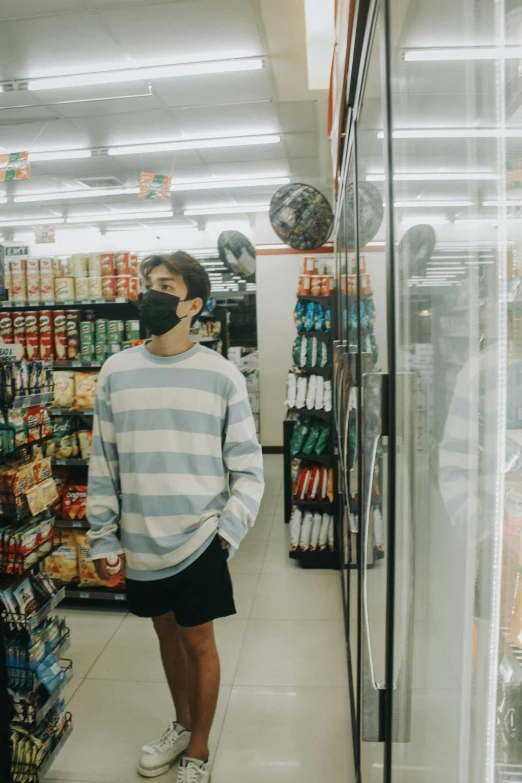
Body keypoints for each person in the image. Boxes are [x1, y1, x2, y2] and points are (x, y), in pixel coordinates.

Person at [86, 251, 264, 783]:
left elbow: (249, 469)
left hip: (200, 538)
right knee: (165, 636)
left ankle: (200, 749)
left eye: (164, 285)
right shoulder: (116, 371)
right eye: (147, 284)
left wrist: (227, 536)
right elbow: (105, 461)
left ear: (193, 304)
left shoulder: (221, 375)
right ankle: (182, 723)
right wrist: (101, 537)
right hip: (141, 540)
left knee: (199, 641)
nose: (150, 294)